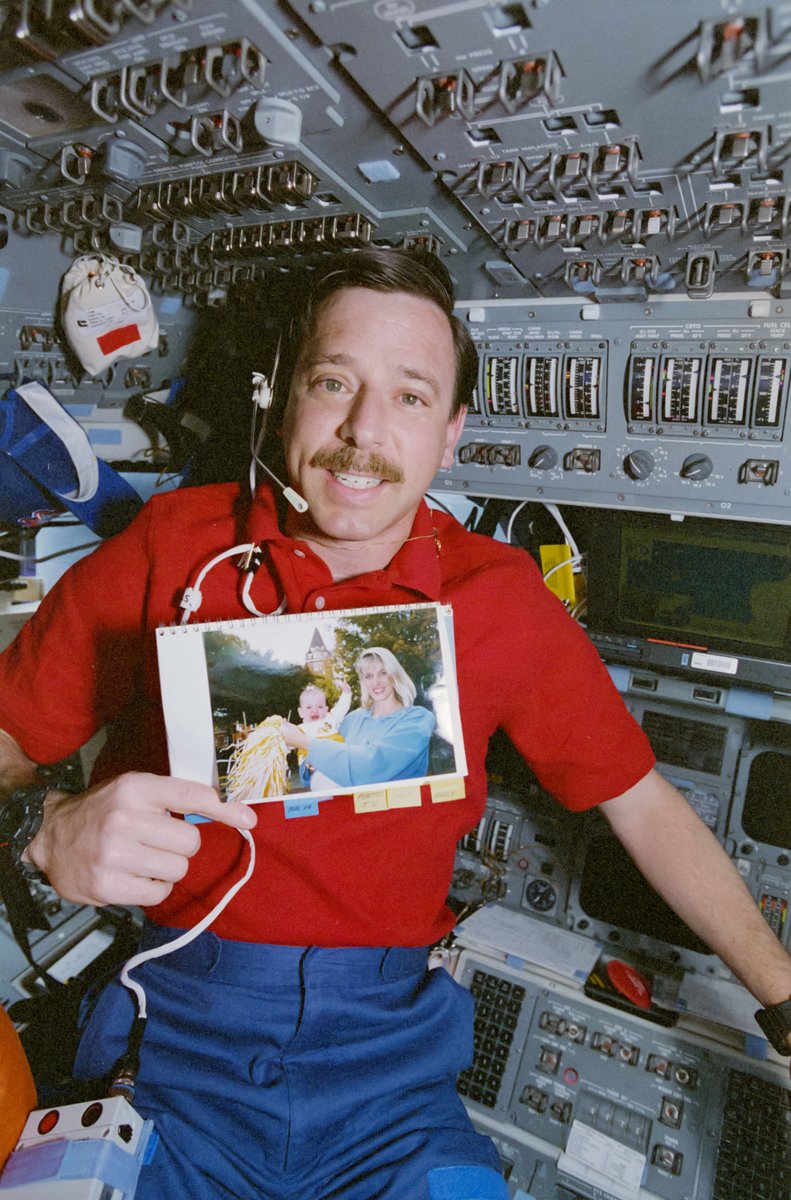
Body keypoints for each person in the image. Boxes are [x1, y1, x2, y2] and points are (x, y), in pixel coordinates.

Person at [0, 248, 790, 1200]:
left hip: (389, 1073)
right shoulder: (172, 548)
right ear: (286, 399)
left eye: (410, 398)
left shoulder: (500, 603)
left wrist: (785, 999)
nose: (362, 431)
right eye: (334, 382)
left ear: (451, 433)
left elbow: (642, 805)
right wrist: (43, 827)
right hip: (176, 1032)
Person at [283, 648, 435, 788]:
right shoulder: (351, 719)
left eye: (383, 673)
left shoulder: (417, 719)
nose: (376, 682)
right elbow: (309, 777)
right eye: (368, 676)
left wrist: (305, 742)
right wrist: (307, 759)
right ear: (363, 681)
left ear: (395, 675)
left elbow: (372, 766)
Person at [294, 679, 352, 793]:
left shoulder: (331, 718)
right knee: (320, 774)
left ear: (326, 709)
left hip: (336, 760)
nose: (315, 710)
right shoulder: (299, 729)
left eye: (320, 707)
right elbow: (287, 741)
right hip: (313, 766)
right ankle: (325, 785)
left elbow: (342, 707)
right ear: (301, 712)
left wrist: (346, 692)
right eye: (309, 707)